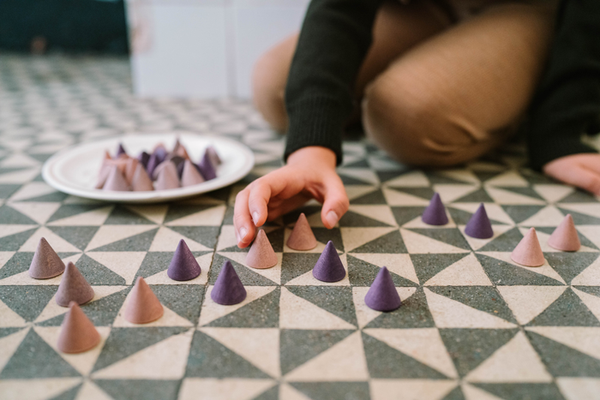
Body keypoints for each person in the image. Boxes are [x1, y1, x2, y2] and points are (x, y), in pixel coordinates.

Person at [234, 0, 600, 248]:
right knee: (275, 88)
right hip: (424, 7)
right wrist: (310, 153)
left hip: (528, 7)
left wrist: (561, 124)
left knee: (402, 115)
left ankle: (518, 93)